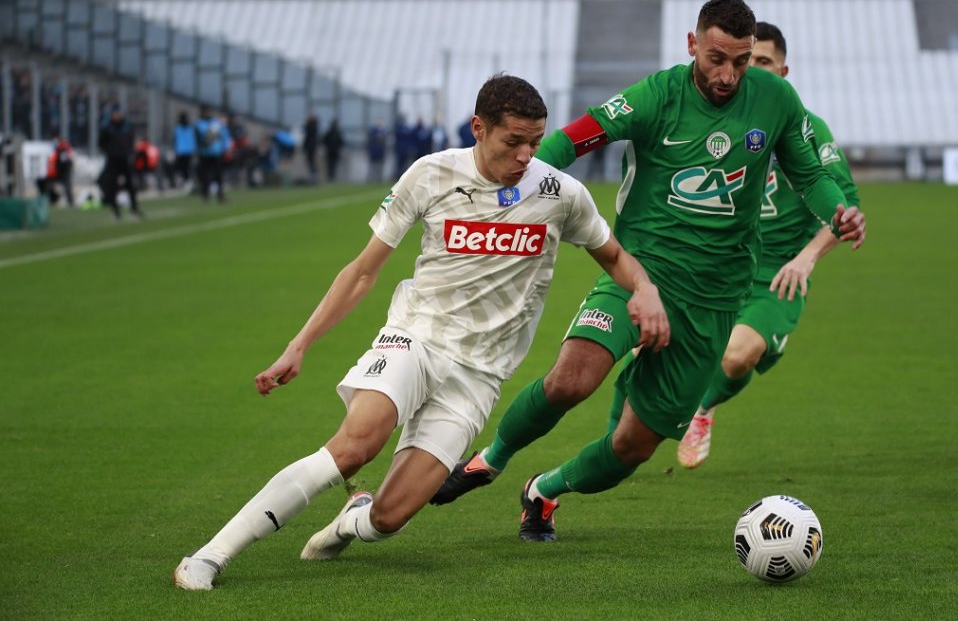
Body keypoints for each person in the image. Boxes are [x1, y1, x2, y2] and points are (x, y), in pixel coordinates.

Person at [172, 74, 670, 591]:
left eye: (534, 142)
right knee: (355, 445)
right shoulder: (431, 175)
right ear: (479, 128)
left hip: (479, 373)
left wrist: (645, 290)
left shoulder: (560, 193)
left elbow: (613, 256)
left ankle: (354, 516)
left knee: (390, 518)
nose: (526, 155)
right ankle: (209, 555)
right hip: (416, 336)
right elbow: (363, 270)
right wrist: (299, 345)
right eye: (513, 141)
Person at [430, 0, 866, 542]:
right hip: (640, 273)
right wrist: (513, 183)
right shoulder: (657, 96)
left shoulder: (776, 99)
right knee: (572, 379)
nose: (729, 74)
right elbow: (575, 137)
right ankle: (488, 461)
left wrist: (838, 212)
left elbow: (810, 175)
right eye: (716, 58)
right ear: (692, 45)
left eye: (739, 60)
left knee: (630, 448)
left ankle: (543, 490)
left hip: (715, 296)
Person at [673, 21, 861, 468]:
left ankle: (702, 411)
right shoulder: (714, 119)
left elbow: (844, 207)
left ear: (783, 71)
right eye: (744, 61)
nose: (749, 70)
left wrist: (806, 258)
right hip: (714, 265)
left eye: (762, 62)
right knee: (646, 349)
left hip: (775, 273)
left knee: (737, 355)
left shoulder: (808, 129)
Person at [98, 105, 142, 219]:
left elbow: (131, 141)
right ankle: (116, 210)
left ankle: (134, 208)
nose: (117, 115)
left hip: (125, 159)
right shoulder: (107, 127)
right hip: (112, 160)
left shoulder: (127, 127)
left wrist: (129, 152)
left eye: (119, 113)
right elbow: (101, 143)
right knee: (111, 185)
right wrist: (110, 152)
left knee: (130, 185)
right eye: (115, 113)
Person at [195, 105, 228, 202]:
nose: (207, 113)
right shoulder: (199, 124)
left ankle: (220, 195)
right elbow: (200, 139)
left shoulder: (215, 123)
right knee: (205, 175)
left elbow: (221, 136)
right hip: (205, 154)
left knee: (218, 175)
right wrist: (206, 141)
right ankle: (205, 195)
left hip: (216, 152)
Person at [172, 111, 196, 190]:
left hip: (182, 151)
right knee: (185, 168)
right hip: (186, 151)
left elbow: (175, 141)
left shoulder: (179, 129)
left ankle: (186, 183)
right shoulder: (189, 128)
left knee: (183, 168)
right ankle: (186, 182)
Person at [322, 118, 346, 182]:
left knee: (330, 164)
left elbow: (324, 141)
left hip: (330, 150)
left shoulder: (329, 132)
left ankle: (330, 176)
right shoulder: (338, 132)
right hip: (335, 151)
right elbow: (341, 142)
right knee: (334, 164)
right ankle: (332, 176)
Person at [303, 113, 320, 181]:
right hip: (309, 147)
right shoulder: (311, 126)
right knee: (310, 161)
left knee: (311, 161)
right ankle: (312, 175)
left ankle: (314, 176)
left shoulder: (313, 126)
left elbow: (309, 133)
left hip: (311, 147)